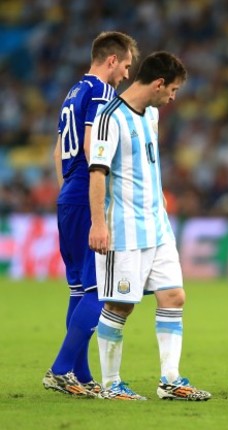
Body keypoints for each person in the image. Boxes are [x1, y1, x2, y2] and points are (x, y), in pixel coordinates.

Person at [88, 51, 210, 401]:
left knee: (174, 296)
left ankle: (170, 380)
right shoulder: (109, 117)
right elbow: (97, 171)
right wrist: (99, 224)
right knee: (119, 305)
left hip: (157, 226)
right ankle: (110, 385)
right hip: (123, 230)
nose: (173, 97)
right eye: (172, 90)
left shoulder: (151, 115)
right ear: (158, 84)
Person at [43, 31, 138, 397]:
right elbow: (91, 145)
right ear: (111, 60)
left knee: (79, 290)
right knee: (100, 290)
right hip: (87, 196)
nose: (127, 75)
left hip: (69, 195)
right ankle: (60, 368)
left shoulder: (73, 93)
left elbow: (57, 152)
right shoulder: (101, 92)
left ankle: (80, 376)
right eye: (126, 66)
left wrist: (69, 189)